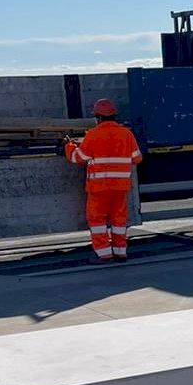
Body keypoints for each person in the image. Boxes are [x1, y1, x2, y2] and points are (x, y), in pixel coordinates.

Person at [62, 99, 142, 263]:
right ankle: (120, 252)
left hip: (99, 187)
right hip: (120, 187)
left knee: (97, 220)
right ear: (114, 116)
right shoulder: (126, 134)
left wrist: (69, 146)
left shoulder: (93, 134)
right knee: (119, 219)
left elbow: (78, 158)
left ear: (98, 117)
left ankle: (103, 253)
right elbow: (137, 158)